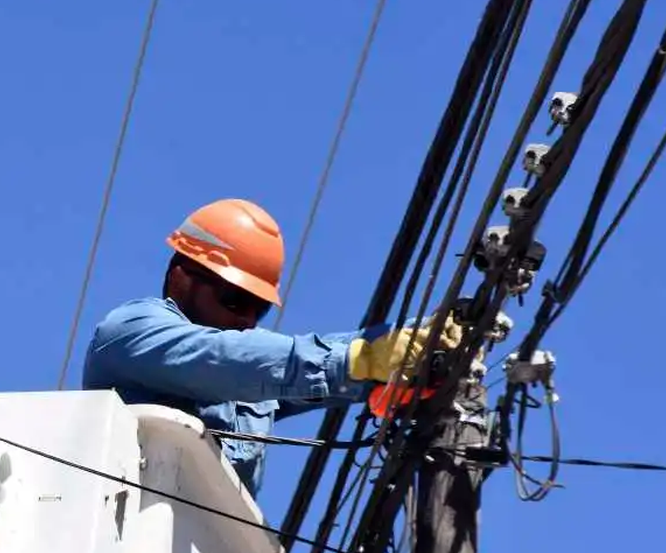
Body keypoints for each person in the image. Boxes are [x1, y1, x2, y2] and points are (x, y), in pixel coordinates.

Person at [81, 198, 462, 498]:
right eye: (234, 299)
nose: (247, 319)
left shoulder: (254, 383)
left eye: (259, 308)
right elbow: (221, 358)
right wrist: (364, 360)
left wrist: (414, 339)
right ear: (181, 275)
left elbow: (325, 357)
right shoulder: (129, 333)